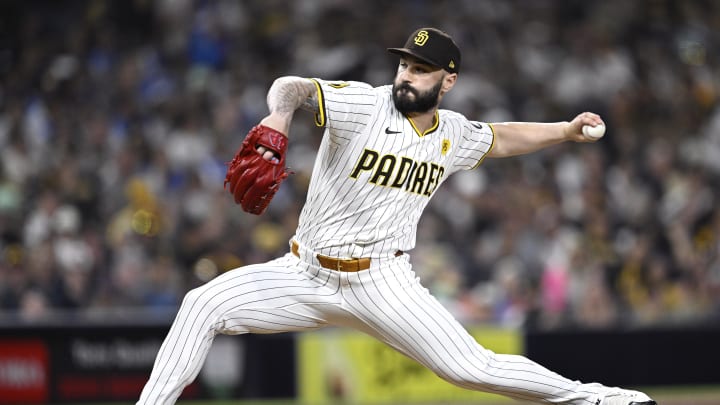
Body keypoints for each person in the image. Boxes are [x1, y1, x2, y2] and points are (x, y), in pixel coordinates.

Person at [138, 27, 656, 405]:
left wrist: (564, 130)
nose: (407, 75)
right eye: (404, 64)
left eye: (421, 69)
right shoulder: (363, 105)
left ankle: (599, 400)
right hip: (304, 273)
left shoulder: (452, 133)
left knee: (472, 368)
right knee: (201, 305)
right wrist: (279, 115)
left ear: (447, 81)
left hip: (383, 281)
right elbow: (291, 86)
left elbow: (501, 137)